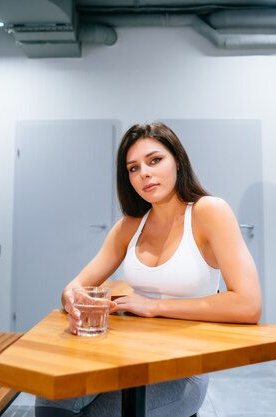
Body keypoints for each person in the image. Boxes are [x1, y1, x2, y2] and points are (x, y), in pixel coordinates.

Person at [35, 122, 262, 417]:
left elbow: (248, 304)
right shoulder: (128, 227)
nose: (144, 173)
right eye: (133, 168)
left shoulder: (209, 212)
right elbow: (74, 286)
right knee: (51, 398)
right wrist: (74, 303)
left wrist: (155, 306)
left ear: (177, 162)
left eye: (155, 160)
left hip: (182, 365)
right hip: (126, 353)